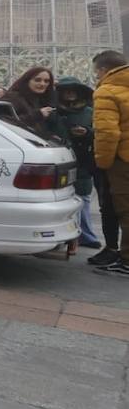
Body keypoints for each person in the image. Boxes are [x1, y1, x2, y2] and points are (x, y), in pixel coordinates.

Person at [92, 51, 129, 274]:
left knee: (125, 210)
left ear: (104, 70)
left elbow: (107, 133)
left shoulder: (107, 90)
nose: (97, 76)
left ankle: (126, 261)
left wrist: (103, 163)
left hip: (121, 160)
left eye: (97, 72)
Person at [54, 77, 100, 250]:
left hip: (84, 160)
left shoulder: (89, 111)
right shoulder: (54, 112)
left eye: (74, 89)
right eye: (66, 90)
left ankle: (86, 235)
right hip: (61, 159)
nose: (70, 93)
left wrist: (86, 132)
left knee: (84, 197)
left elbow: (99, 132)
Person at [1, 67, 57, 139]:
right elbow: (3, 123)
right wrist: (38, 114)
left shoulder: (40, 99)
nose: (42, 84)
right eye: (37, 80)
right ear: (27, 81)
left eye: (46, 81)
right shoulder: (14, 97)